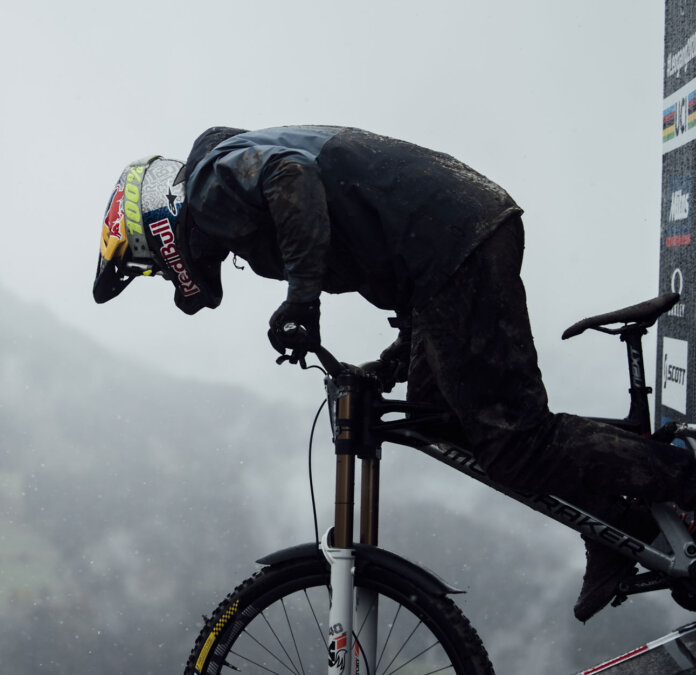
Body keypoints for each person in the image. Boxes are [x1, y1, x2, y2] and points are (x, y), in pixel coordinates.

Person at [92, 125, 696, 622]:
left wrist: (303, 299)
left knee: (516, 444)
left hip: (453, 242)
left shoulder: (208, 184)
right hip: (445, 246)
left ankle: (683, 480)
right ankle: (618, 523)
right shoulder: (226, 182)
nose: (163, 275)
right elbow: (382, 244)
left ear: (158, 224)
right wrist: (391, 364)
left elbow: (290, 177)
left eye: (147, 264)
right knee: (442, 421)